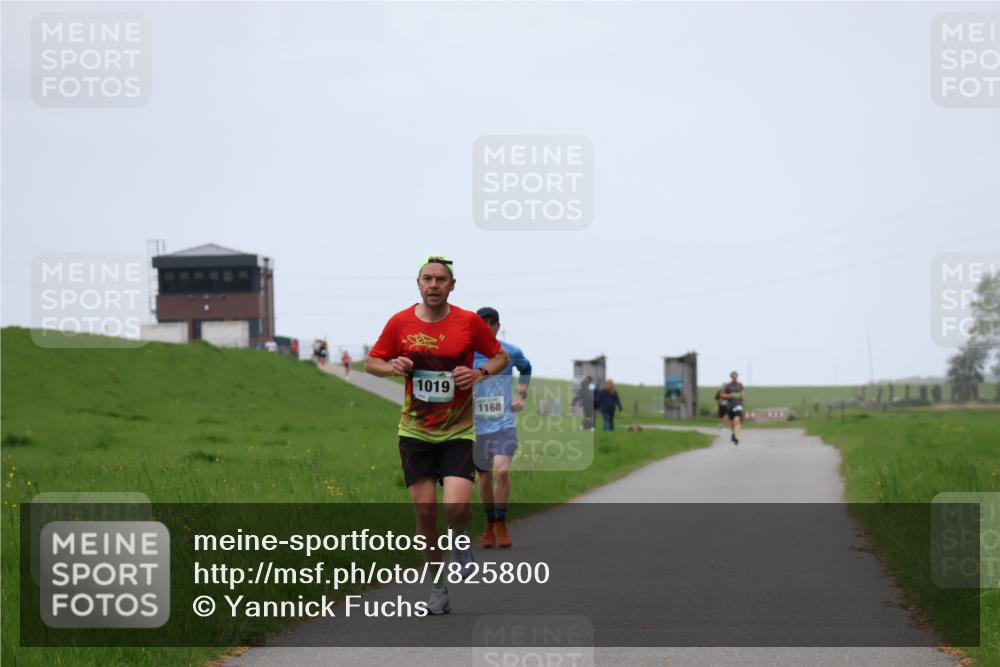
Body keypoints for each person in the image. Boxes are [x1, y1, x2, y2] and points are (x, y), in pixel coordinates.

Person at [364, 256, 509, 615]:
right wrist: (391, 366)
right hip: (414, 431)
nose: (433, 285)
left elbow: (500, 357)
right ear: (418, 283)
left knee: (457, 507)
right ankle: (438, 586)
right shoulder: (400, 322)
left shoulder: (469, 322)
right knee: (426, 512)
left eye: (441, 279)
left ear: (452, 285)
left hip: (458, 430)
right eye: (427, 279)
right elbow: (372, 362)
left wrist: (480, 374)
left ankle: (460, 539)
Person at [472, 306, 532, 549]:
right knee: (484, 478)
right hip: (476, 426)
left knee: (501, 472)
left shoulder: (510, 351)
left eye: (492, 323)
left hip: (505, 422)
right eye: (482, 323)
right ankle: (488, 523)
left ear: (498, 326)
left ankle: (501, 523)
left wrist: (521, 395)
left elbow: (526, 368)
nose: (488, 327)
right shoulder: (465, 353)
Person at [720, 371, 746, 445]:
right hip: (730, 406)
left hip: (738, 405)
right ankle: (733, 433)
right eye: (733, 376)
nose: (734, 378)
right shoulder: (728, 386)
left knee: (737, 420)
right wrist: (729, 396)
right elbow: (722, 395)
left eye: (735, 376)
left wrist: (743, 397)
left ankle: (736, 436)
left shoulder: (740, 385)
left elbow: (742, 394)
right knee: (732, 422)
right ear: (731, 377)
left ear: (737, 377)